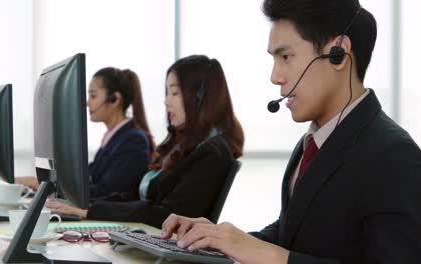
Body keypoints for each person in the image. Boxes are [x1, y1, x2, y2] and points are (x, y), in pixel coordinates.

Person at [161, 1, 421, 263]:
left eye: (285, 57)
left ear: (338, 54)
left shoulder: (394, 155)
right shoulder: (312, 142)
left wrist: (274, 257)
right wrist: (217, 240)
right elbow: (291, 233)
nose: (275, 77)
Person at [46, 55, 245, 228]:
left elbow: (166, 215)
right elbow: (133, 196)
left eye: (174, 93)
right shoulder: (183, 147)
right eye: (167, 93)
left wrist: (89, 211)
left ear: (201, 98)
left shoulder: (212, 154)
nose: (167, 101)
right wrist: (85, 206)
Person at [17, 67, 155, 200]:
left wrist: (49, 187)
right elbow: (86, 178)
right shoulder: (113, 139)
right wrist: (42, 183)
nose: (87, 103)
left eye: (93, 96)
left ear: (115, 99)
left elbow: (108, 192)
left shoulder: (133, 140)